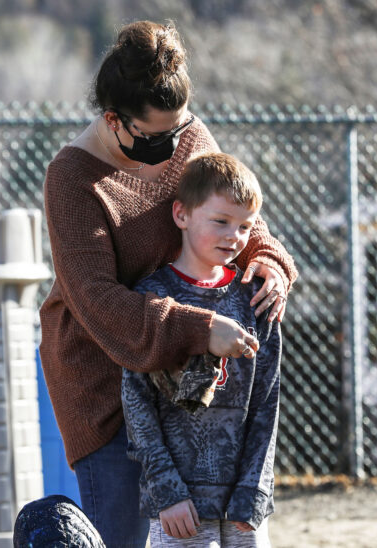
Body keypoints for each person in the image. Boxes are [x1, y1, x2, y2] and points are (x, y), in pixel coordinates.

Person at [39, 20, 297, 547]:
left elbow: (233, 211)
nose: (177, 147)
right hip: (106, 389)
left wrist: (268, 259)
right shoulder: (72, 179)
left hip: (189, 390)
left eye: (181, 131)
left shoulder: (187, 138)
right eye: (157, 137)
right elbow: (100, 304)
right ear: (114, 119)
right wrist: (199, 329)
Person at [122, 152, 280, 547]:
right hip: (181, 509)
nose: (234, 236)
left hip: (243, 508)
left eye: (245, 226)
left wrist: (254, 492)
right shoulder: (151, 298)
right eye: (221, 221)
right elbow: (137, 405)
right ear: (182, 215)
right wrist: (167, 492)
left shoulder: (256, 300)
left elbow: (267, 403)